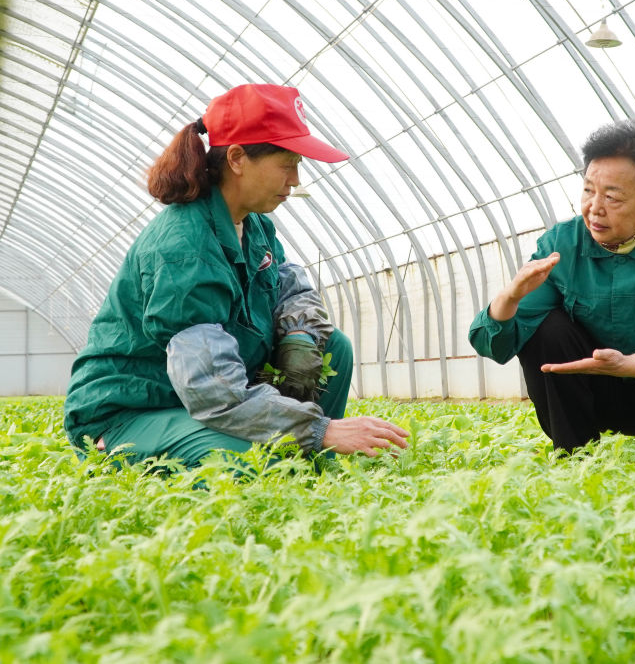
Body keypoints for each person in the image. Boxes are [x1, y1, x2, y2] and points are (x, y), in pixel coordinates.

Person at [64, 83, 409, 467]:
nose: (295, 180)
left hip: (192, 401)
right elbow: (211, 389)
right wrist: (321, 429)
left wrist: (298, 336)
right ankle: (300, 449)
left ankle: (302, 457)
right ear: (238, 158)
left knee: (332, 348)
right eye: (287, 163)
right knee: (244, 462)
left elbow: (290, 287)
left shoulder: (255, 224)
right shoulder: (183, 248)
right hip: (136, 410)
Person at [469, 120, 635, 456]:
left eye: (612, 196)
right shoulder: (561, 243)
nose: (594, 208)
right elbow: (493, 345)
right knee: (545, 329)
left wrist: (634, 363)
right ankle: (575, 456)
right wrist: (509, 297)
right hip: (594, 396)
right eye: (588, 190)